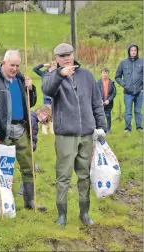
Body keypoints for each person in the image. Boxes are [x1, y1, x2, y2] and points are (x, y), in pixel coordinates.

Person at [42, 43, 107, 226]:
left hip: (86, 133)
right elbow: (47, 89)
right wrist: (60, 75)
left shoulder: (86, 75)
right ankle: (62, 215)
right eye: (62, 56)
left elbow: (96, 102)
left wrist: (101, 126)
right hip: (66, 135)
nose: (67, 58)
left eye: (69, 54)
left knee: (84, 175)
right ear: (56, 59)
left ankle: (84, 213)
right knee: (63, 176)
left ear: (73, 55)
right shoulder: (52, 77)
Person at [0, 50, 46, 212]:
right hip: (2, 130)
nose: (15, 68)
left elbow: (31, 103)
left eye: (17, 65)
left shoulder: (21, 79)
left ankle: (30, 201)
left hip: (21, 128)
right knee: (2, 169)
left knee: (28, 165)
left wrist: (31, 89)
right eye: (12, 65)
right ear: (4, 63)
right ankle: (3, 203)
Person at [17, 105, 52, 197]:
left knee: (30, 169)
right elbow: (30, 135)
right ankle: (24, 192)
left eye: (46, 117)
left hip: (27, 148)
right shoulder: (32, 119)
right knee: (31, 169)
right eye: (44, 114)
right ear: (38, 110)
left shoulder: (33, 118)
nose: (43, 117)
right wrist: (31, 145)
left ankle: (24, 192)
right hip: (25, 148)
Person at [115, 43, 143, 133]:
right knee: (128, 112)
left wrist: (142, 88)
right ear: (129, 51)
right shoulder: (123, 63)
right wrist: (124, 85)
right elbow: (117, 77)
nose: (133, 52)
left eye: (135, 50)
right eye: (132, 50)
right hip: (128, 93)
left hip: (139, 92)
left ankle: (139, 127)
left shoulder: (142, 62)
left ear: (137, 51)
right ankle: (127, 128)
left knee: (138, 111)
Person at [97, 67, 117, 132]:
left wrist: (109, 100)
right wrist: (100, 100)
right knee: (101, 116)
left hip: (109, 103)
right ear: (101, 74)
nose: (105, 74)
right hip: (101, 103)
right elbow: (96, 92)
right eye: (103, 73)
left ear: (108, 74)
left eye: (106, 73)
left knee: (108, 115)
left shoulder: (111, 83)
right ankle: (101, 128)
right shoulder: (98, 82)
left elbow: (114, 93)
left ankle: (108, 128)